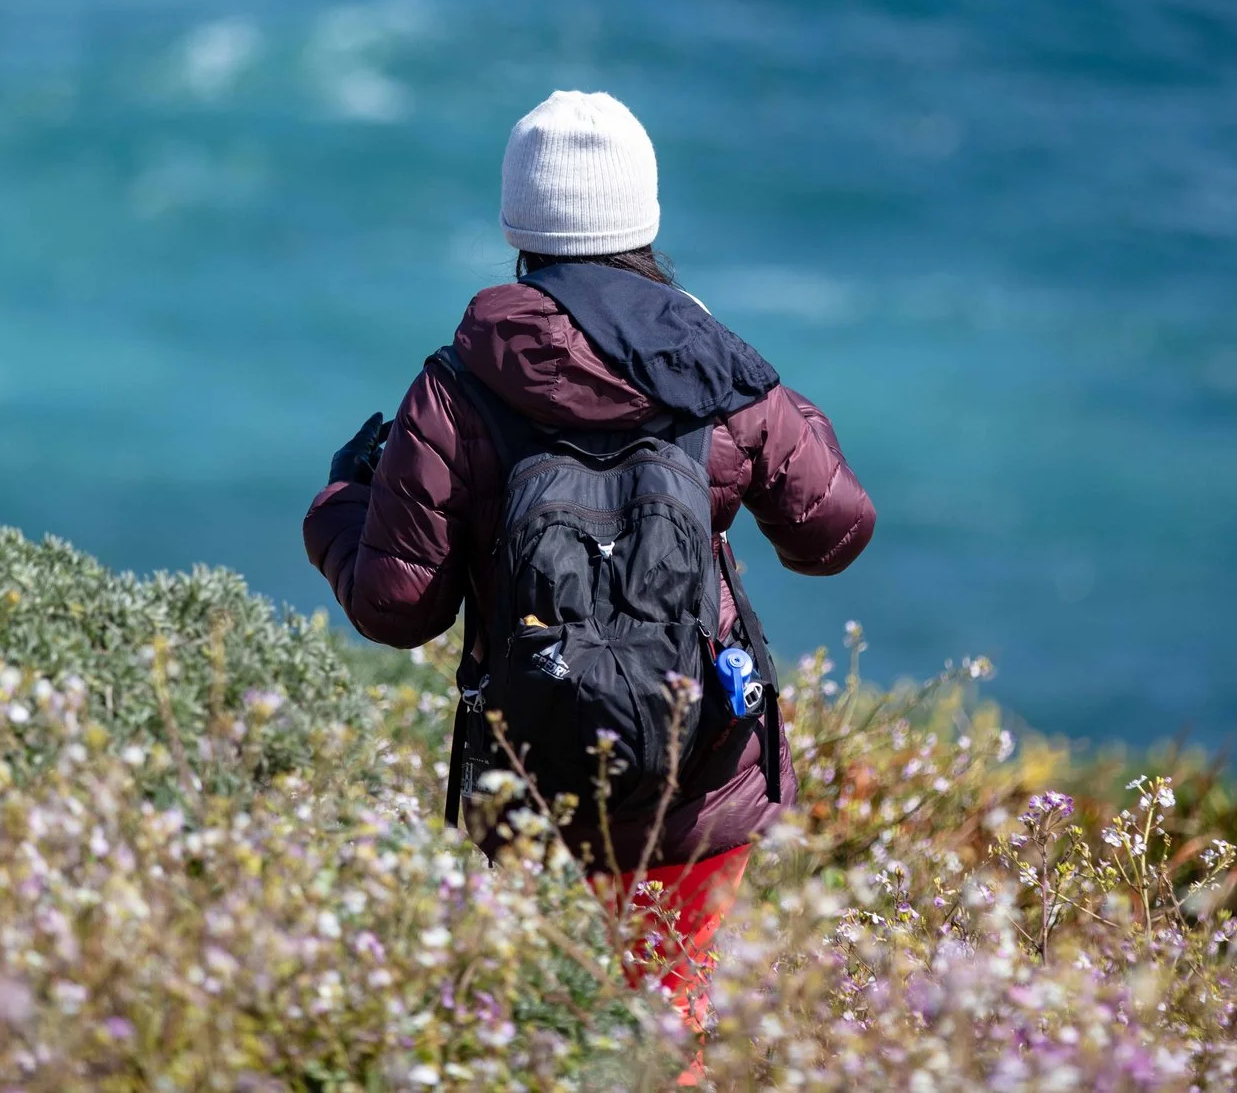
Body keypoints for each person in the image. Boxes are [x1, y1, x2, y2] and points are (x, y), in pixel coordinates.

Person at [304, 89, 877, 1044]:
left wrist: (341, 504)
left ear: (518, 224)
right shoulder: (716, 373)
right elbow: (834, 532)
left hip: (529, 778)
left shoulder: (456, 385)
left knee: (537, 1034)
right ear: (643, 216)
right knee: (668, 1026)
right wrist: (759, 398)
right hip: (696, 777)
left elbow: (396, 606)